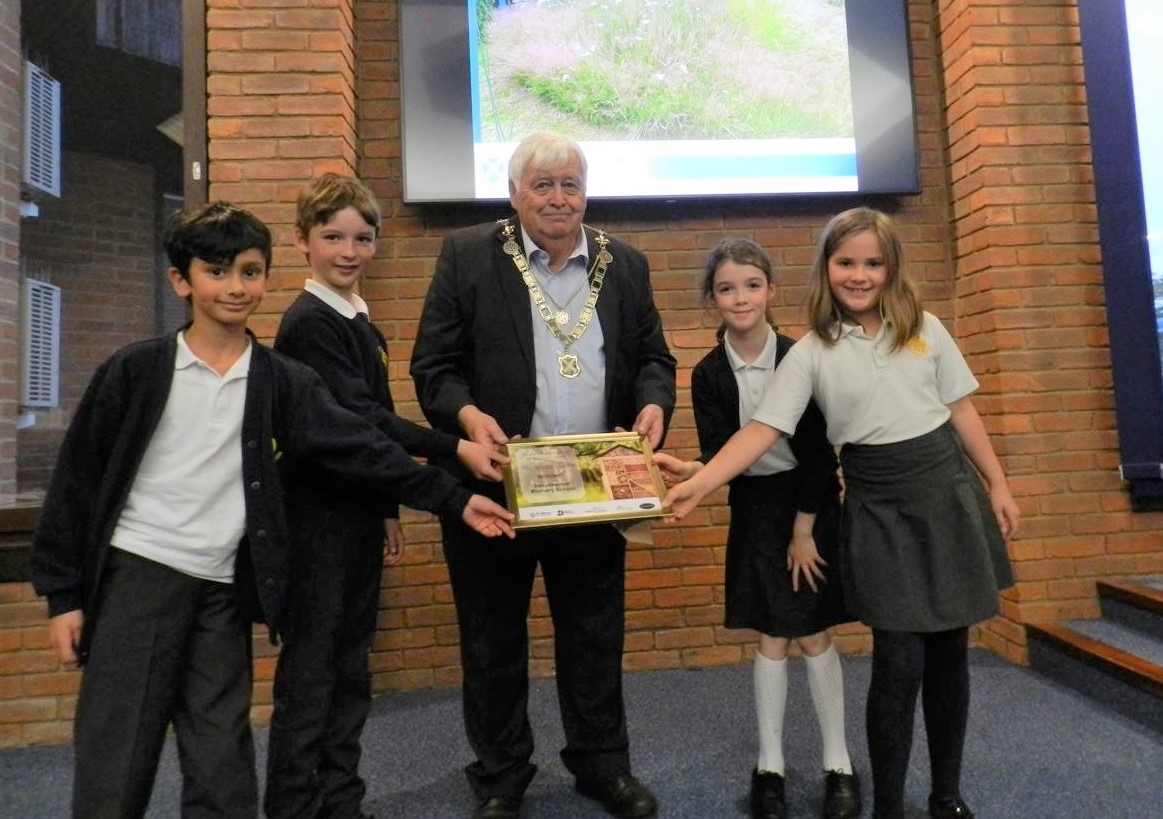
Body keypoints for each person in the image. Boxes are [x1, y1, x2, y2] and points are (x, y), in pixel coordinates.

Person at [29, 202, 515, 819]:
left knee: (223, 767)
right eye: (216, 272)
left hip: (221, 592)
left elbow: (360, 447)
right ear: (181, 280)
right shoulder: (136, 370)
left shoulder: (281, 380)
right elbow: (76, 483)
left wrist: (456, 499)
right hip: (138, 580)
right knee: (117, 763)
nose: (235, 287)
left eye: (250, 272)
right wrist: (64, 596)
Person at [658, 208, 1019, 819]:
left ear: (891, 267)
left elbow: (961, 411)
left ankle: (947, 794)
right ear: (826, 268)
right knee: (898, 660)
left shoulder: (927, 328)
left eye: (873, 263)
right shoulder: (810, 353)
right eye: (846, 262)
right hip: (878, 508)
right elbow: (762, 430)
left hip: (946, 494)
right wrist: (702, 483)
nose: (859, 275)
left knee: (949, 654)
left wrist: (999, 482)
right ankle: (887, 807)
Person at [410, 131, 676, 819]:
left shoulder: (624, 263)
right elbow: (433, 368)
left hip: (592, 487)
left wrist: (653, 403)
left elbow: (654, 357)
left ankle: (602, 765)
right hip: (495, 487)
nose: (558, 198)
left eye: (570, 184)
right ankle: (501, 774)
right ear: (513, 194)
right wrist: (467, 415)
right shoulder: (468, 254)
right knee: (492, 638)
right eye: (543, 184)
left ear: (585, 193)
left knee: (594, 635)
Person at [264, 175, 509, 819]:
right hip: (317, 527)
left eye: (363, 238)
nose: (349, 252)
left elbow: (369, 428)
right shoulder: (310, 323)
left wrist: (385, 510)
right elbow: (360, 426)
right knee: (313, 678)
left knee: (348, 670)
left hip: (353, 518)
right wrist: (453, 449)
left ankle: (340, 801)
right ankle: (296, 806)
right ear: (302, 241)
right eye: (332, 237)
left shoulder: (353, 315)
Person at [655, 238, 860, 819]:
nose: (740, 298)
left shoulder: (802, 356)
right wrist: (696, 472)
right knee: (770, 634)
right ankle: (769, 766)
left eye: (751, 285)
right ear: (711, 300)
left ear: (771, 290)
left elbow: (819, 458)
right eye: (726, 289)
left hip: (809, 504)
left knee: (813, 632)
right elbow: (726, 452)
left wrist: (804, 531)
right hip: (756, 509)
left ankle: (839, 764)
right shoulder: (708, 374)